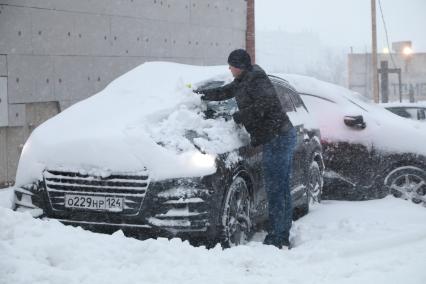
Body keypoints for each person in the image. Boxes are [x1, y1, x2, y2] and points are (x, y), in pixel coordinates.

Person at [194, 49, 297, 249]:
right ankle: (281, 232)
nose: (229, 68)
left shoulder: (256, 80)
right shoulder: (244, 80)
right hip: (277, 136)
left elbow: (266, 104)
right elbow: (225, 91)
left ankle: (278, 236)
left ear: (239, 66)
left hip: (279, 137)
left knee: (277, 188)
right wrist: (200, 95)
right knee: (280, 188)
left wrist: (240, 117)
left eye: (231, 65)